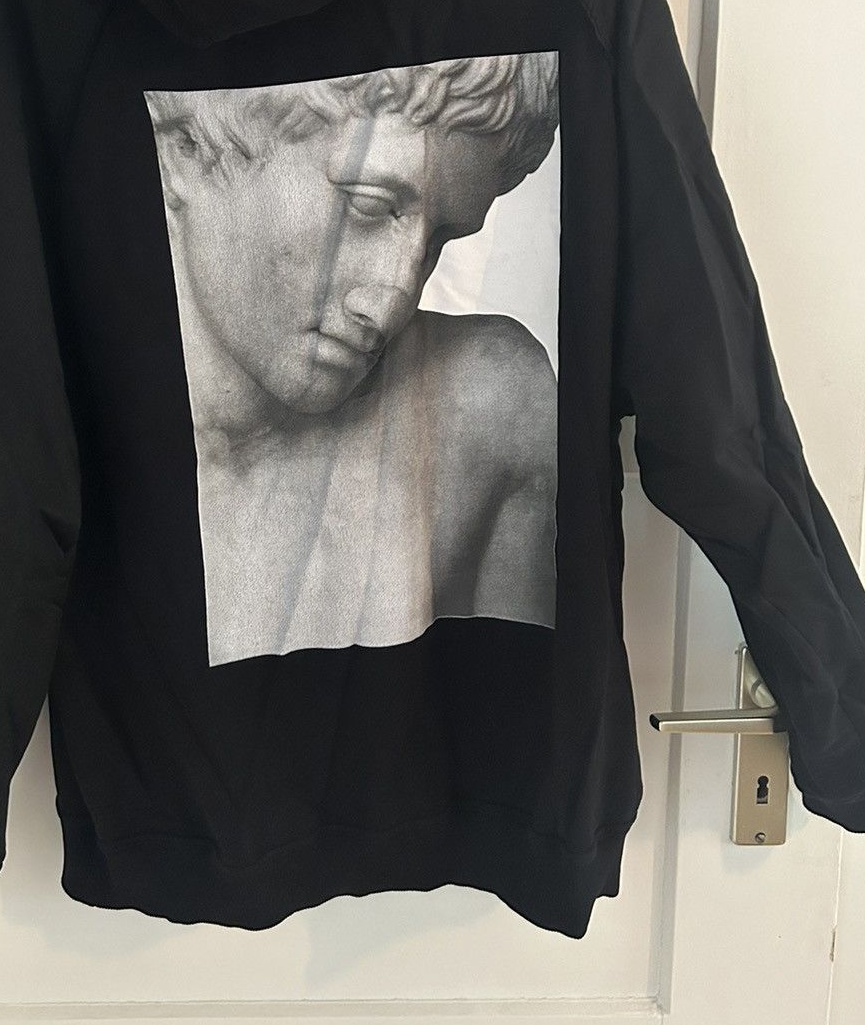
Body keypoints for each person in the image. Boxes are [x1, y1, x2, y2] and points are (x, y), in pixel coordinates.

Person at [144, 49, 561, 664]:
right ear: (189, 152)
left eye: (439, 240)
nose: (396, 299)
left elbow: (521, 710)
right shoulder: (68, 422)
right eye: (368, 206)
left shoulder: (494, 410)